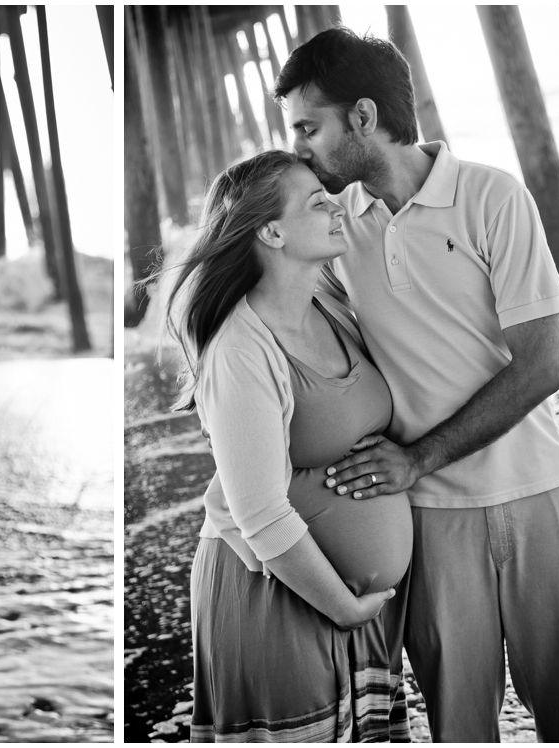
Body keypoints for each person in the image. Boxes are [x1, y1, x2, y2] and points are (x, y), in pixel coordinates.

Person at [273, 27, 559, 742]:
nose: (300, 148)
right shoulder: (335, 232)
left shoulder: (492, 197)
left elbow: (543, 365)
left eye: (309, 127)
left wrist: (418, 457)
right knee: (459, 728)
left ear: (363, 118)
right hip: (429, 520)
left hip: (538, 497)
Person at [162, 149, 414, 742]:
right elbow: (260, 513)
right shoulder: (240, 348)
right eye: (316, 201)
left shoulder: (331, 304)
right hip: (279, 601)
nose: (337, 205)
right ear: (272, 231)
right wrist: (345, 607)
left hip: (346, 607)